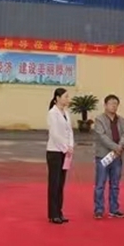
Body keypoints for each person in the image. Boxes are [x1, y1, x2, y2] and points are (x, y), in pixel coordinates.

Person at [93, 94, 124, 219]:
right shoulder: (99, 119)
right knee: (100, 184)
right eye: (111, 103)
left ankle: (114, 209)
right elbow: (102, 136)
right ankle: (99, 209)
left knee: (115, 184)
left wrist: (120, 146)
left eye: (116, 104)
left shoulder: (121, 120)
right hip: (103, 156)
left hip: (117, 156)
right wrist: (116, 147)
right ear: (105, 105)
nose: (114, 106)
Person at [46, 87, 74, 224]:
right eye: (65, 96)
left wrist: (71, 145)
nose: (68, 99)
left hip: (65, 152)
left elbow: (70, 131)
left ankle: (59, 212)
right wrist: (65, 147)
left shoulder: (66, 113)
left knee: (61, 184)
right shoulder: (52, 113)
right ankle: (53, 214)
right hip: (55, 152)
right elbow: (54, 134)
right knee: (54, 183)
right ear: (57, 98)